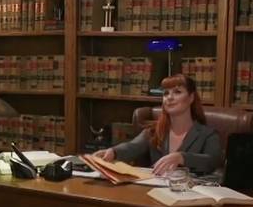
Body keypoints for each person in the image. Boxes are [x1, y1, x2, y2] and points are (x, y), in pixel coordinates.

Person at [94, 74, 222, 175]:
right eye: (166, 93)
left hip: (191, 194)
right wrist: (113, 152)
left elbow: (213, 161)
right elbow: (132, 147)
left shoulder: (208, 135)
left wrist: (181, 157)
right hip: (155, 192)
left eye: (177, 92)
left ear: (191, 98)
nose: (169, 97)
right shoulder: (154, 132)